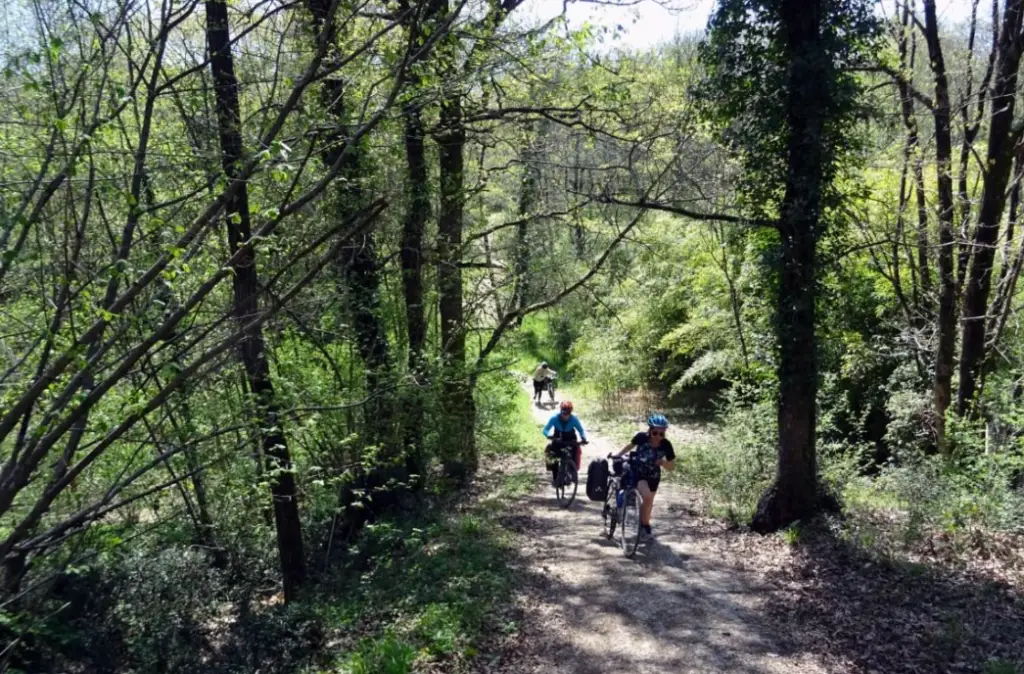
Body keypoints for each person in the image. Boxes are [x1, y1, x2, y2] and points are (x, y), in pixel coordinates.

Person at [612, 413, 675, 537]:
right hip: (638, 472)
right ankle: (640, 521)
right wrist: (618, 455)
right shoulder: (641, 437)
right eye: (655, 433)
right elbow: (630, 446)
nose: (658, 436)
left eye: (661, 433)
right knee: (646, 496)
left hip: (654, 476)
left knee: (649, 502)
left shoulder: (666, 445)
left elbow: (672, 466)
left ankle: (645, 524)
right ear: (650, 430)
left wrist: (662, 462)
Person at [542, 400, 588, 484]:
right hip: (557, 440)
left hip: (570, 441)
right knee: (553, 456)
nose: (565, 416)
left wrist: (583, 438)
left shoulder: (574, 419)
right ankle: (555, 478)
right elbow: (545, 430)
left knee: (574, 453)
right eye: (564, 413)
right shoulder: (554, 418)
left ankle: (572, 472)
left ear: (570, 412)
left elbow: (581, 430)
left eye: (568, 414)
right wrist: (548, 435)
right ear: (560, 411)